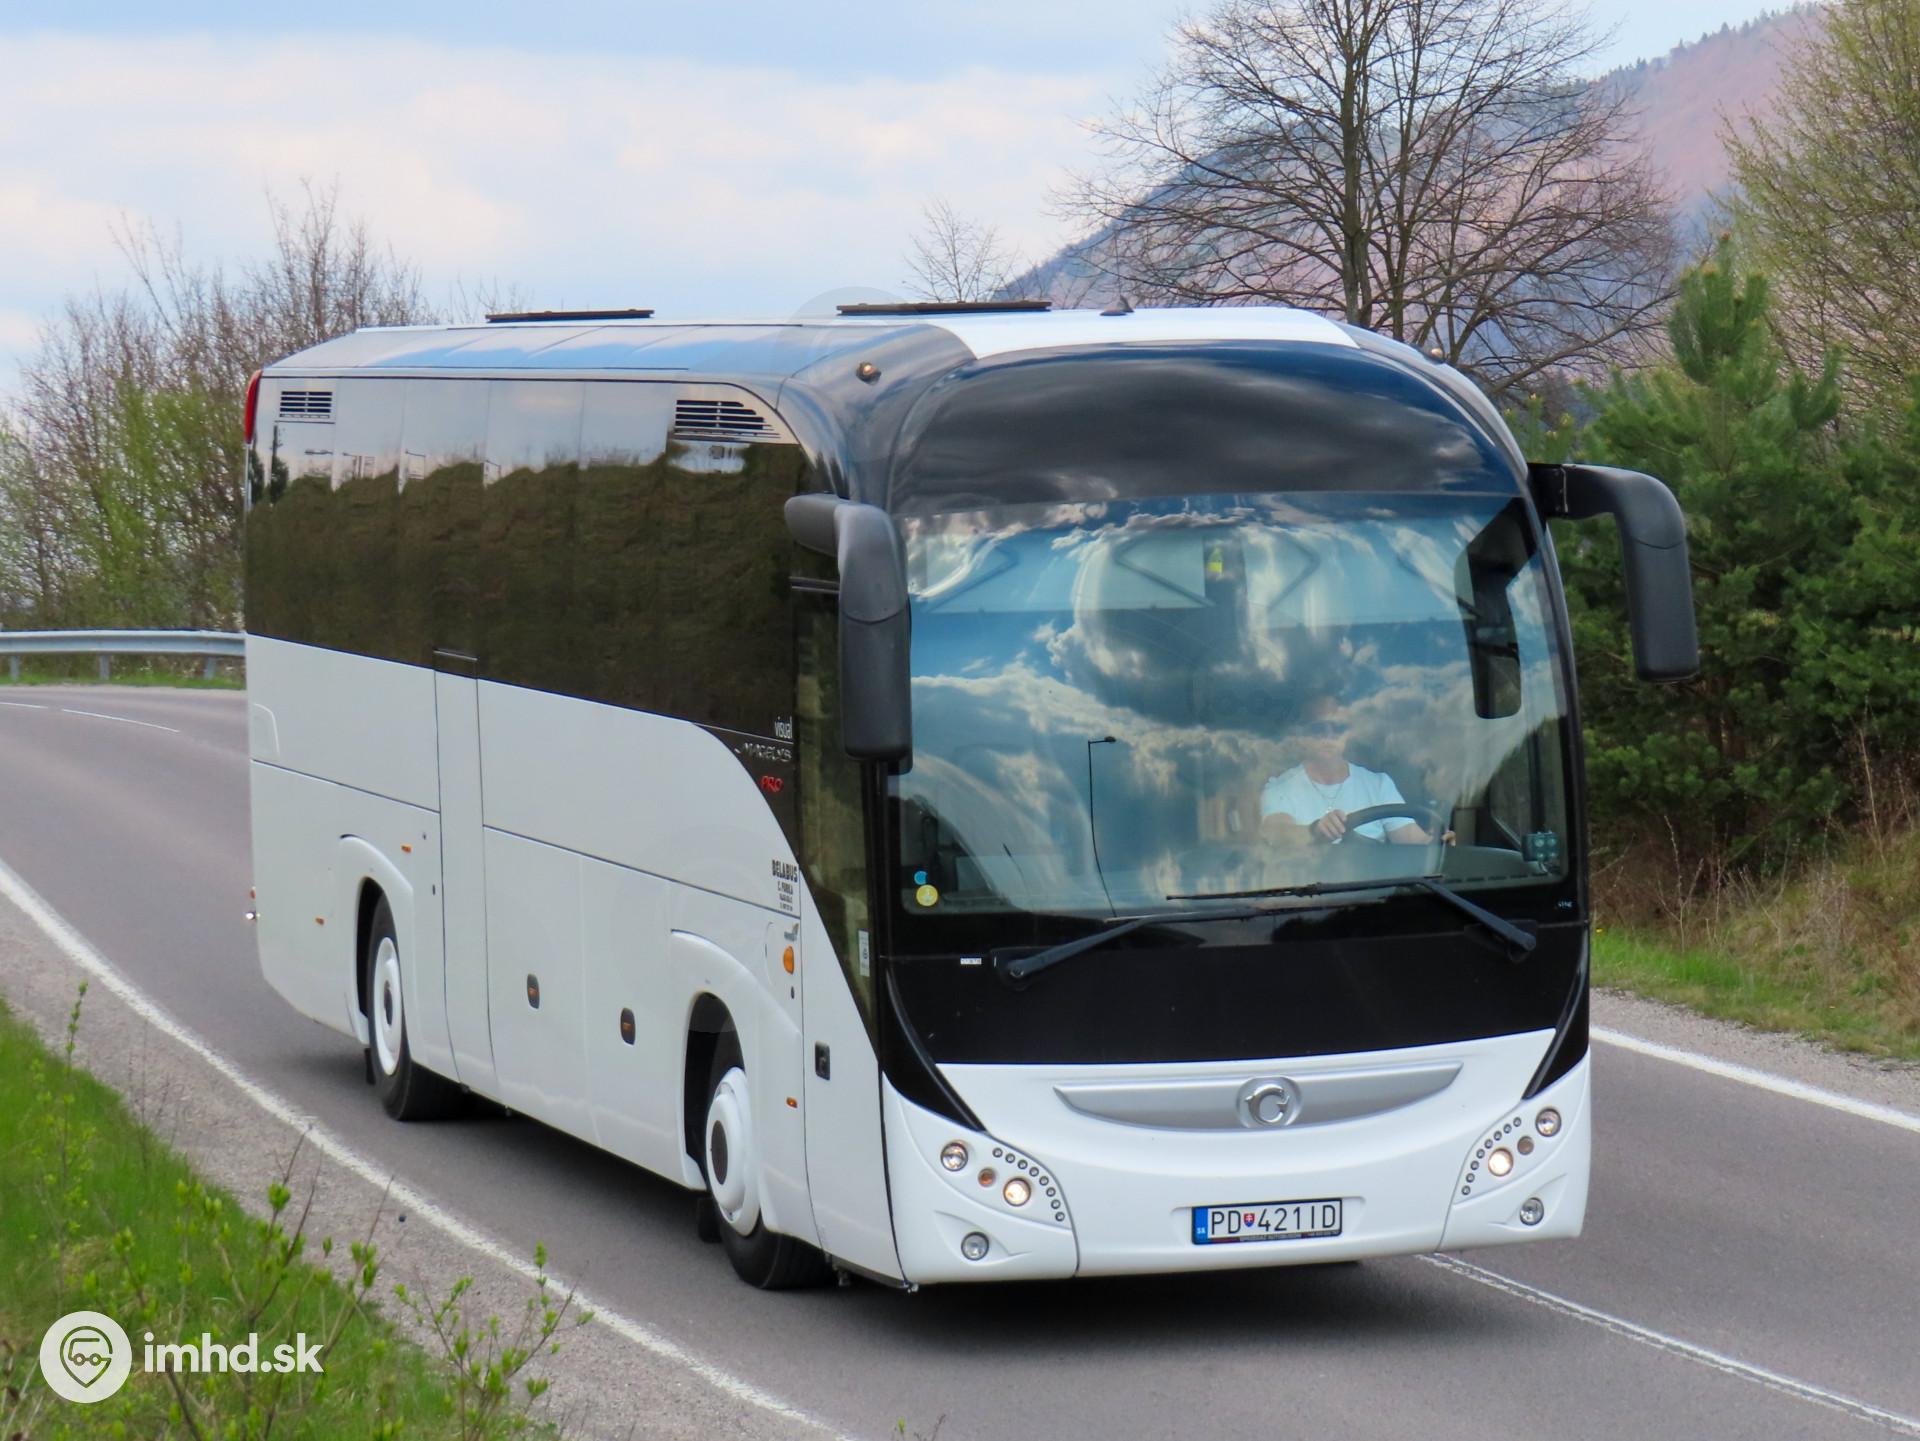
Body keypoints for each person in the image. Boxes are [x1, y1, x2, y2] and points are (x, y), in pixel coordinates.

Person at [1259, 693, 1444, 846]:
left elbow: (1412, 840)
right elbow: (1277, 832)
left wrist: (1443, 843)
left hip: (1378, 880)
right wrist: (1315, 830)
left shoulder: (1378, 784)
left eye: (1338, 728)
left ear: (1349, 733)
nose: (1329, 735)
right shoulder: (1280, 788)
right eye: (1318, 728)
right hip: (1306, 879)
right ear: (1300, 735)